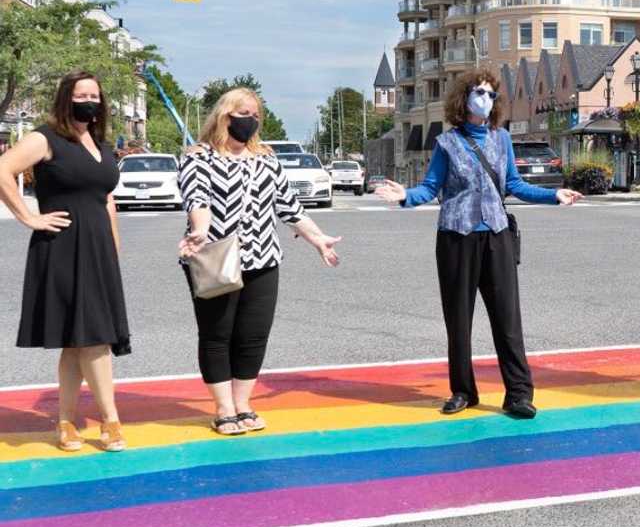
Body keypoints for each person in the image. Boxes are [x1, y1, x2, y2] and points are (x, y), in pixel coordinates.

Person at [374, 68, 582, 418]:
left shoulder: (501, 139)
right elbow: (429, 188)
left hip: (497, 236)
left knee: (508, 319)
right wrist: (404, 196)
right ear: (464, 99)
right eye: (480, 93)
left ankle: (518, 393)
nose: (486, 100)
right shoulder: (447, 143)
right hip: (456, 237)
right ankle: (463, 390)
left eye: (491, 94)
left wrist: (553, 195)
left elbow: (514, 184)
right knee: (459, 320)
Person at [177, 88, 343, 435]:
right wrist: (200, 230)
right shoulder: (198, 157)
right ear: (225, 116)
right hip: (216, 256)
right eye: (244, 113)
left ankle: (243, 404)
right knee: (217, 334)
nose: (250, 120)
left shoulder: (266, 158)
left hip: (263, 257)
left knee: (253, 336)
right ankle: (223, 408)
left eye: (255, 114)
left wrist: (318, 239)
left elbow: (288, 206)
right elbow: (197, 197)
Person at [0, 71, 131, 452]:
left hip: (98, 250)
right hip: (61, 246)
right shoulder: (46, 137)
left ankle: (64, 423)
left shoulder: (102, 144)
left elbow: (106, 199)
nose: (88, 99)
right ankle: (110, 420)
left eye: (94, 93)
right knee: (95, 337)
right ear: (65, 98)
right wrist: (29, 217)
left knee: (77, 342)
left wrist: (114, 247)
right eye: (81, 94)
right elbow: (3, 169)